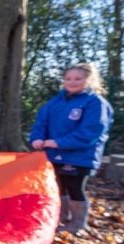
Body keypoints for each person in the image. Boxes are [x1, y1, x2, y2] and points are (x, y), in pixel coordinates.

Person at [30, 63, 114, 234]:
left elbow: (91, 131)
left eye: (78, 79)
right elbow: (41, 122)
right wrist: (37, 138)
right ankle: (59, 217)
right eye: (68, 79)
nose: (72, 82)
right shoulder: (55, 102)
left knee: (74, 187)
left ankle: (78, 223)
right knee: (57, 186)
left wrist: (60, 142)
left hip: (80, 156)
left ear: (89, 80)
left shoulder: (95, 103)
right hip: (54, 155)